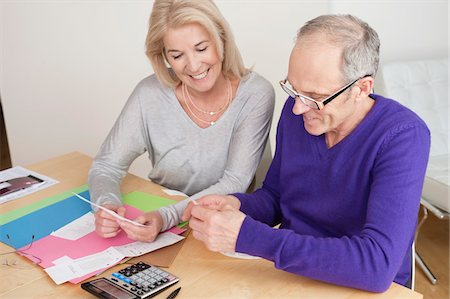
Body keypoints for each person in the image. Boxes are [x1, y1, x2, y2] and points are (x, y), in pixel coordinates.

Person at [182, 14, 430, 292]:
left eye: (314, 97)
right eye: (293, 89)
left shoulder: (403, 136)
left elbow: (377, 265)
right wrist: (238, 206)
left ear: (362, 88)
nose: (298, 108)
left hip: (362, 289)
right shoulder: (298, 111)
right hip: (295, 274)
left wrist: (248, 236)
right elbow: (277, 196)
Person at [88, 0, 274, 242]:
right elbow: (106, 165)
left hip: (221, 227)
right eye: (177, 55)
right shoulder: (149, 94)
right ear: (163, 56)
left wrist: (165, 217)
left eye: (201, 48)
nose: (194, 65)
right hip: (162, 225)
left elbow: (236, 181)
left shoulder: (256, 93)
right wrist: (107, 206)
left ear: (222, 40)